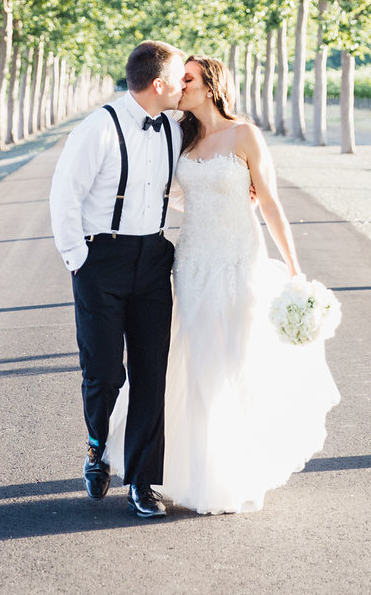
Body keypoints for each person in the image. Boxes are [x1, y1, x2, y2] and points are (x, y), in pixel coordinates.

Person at [144, 53, 340, 514]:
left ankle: (237, 467)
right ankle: (197, 472)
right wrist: (211, 209)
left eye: (187, 79)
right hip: (193, 262)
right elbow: (168, 195)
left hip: (240, 260)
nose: (179, 85)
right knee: (199, 360)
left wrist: (294, 269)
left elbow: (270, 204)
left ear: (210, 86)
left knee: (237, 358)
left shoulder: (245, 135)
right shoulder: (180, 137)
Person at [49, 40, 184, 519]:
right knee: (104, 372)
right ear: (159, 83)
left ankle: (142, 481)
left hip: (152, 259)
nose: (184, 84)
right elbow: (64, 196)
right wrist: (78, 262)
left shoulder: (173, 127)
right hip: (100, 259)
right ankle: (96, 446)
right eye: (179, 76)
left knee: (151, 373)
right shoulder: (98, 128)